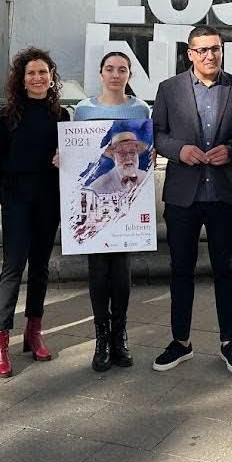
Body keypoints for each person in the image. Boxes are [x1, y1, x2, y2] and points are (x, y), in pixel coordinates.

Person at [151, 25, 232, 374]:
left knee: (226, 269)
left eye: (215, 49)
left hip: (224, 193)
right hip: (184, 194)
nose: (209, 56)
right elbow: (157, 135)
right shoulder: (169, 89)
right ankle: (180, 341)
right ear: (190, 54)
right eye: (202, 50)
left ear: (222, 50)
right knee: (180, 269)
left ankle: (230, 342)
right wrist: (180, 150)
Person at [0, 46, 70, 377]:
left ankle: (33, 331)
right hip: (18, 203)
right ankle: (0, 340)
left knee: (40, 269)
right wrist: (9, 203)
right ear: (22, 80)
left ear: (52, 78)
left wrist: (64, 160)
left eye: (43, 72)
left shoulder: (63, 116)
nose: (37, 78)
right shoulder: (7, 117)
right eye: (31, 73)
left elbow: (74, 159)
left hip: (49, 201)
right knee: (13, 269)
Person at [74, 51, 151, 372]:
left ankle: (120, 336)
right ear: (101, 73)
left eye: (122, 69)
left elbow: (146, 155)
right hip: (96, 201)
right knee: (98, 272)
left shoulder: (140, 109)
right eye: (110, 69)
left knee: (121, 273)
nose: (116, 74)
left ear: (129, 74)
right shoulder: (83, 110)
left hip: (130, 206)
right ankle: (101, 338)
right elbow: (76, 153)